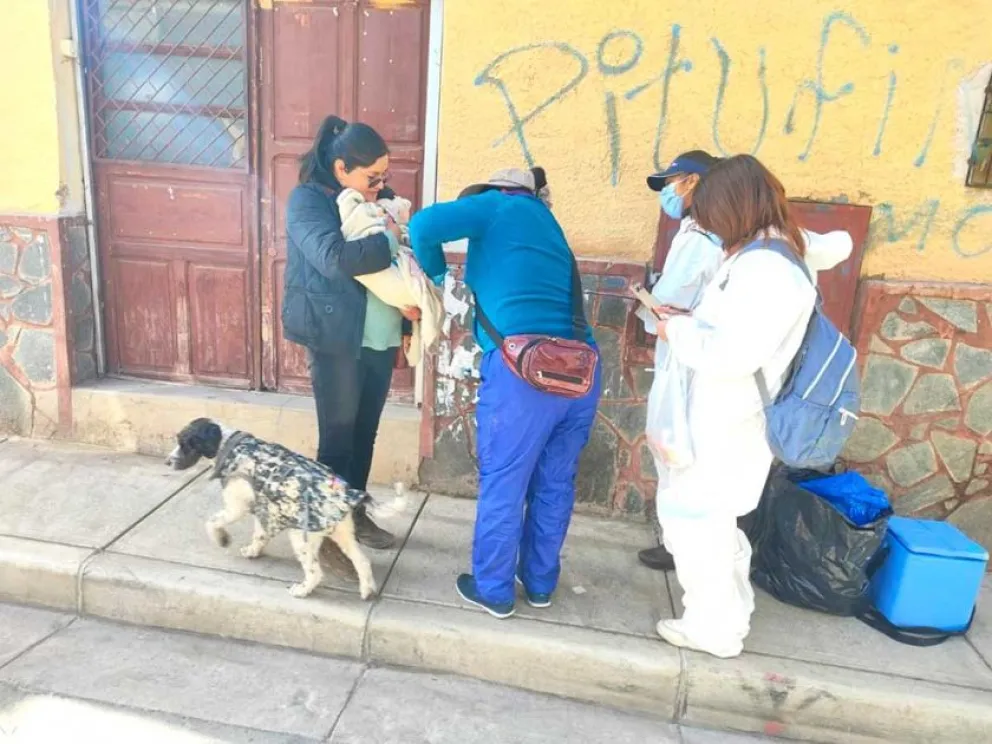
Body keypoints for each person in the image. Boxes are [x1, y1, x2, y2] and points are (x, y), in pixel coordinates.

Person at [650, 154, 852, 658]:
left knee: (699, 522)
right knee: (712, 522)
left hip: (728, 420)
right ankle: (725, 615)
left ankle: (713, 629)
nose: (707, 224)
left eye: (710, 213)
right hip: (727, 418)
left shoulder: (766, 268)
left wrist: (675, 329)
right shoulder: (768, 254)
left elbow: (731, 353)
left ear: (733, 207)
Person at [409, 167, 602, 619]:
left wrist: (434, 274)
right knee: (555, 483)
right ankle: (539, 584)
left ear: (496, 189)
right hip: (580, 372)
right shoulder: (549, 226)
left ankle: (493, 589)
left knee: (505, 482)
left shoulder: (497, 205)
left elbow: (422, 225)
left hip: (523, 376)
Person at [283, 115, 419, 569]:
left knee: (364, 433)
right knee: (337, 439)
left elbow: (400, 260)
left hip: (379, 334)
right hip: (336, 337)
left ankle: (353, 514)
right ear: (342, 168)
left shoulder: (375, 199)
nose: (381, 185)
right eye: (372, 177)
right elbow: (335, 259)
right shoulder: (308, 200)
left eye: (384, 176)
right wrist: (392, 238)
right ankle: (325, 533)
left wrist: (409, 308)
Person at [636, 150, 724, 572]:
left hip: (687, 359)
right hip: (690, 355)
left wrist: (647, 304)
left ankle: (681, 545)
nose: (668, 192)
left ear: (692, 182)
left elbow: (668, 304)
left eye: (672, 183)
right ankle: (681, 541)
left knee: (677, 452)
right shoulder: (709, 232)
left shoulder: (700, 238)